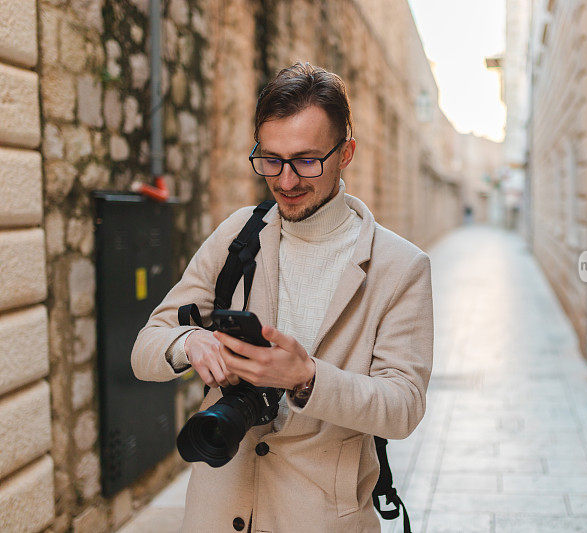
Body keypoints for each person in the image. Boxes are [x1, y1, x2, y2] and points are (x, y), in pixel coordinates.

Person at [131, 62, 434, 532]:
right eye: (270, 160)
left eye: (306, 160)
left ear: (346, 152)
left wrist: (307, 377)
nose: (286, 181)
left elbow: (404, 406)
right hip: (216, 512)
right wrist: (189, 343)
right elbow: (145, 346)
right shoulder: (238, 233)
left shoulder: (401, 266)